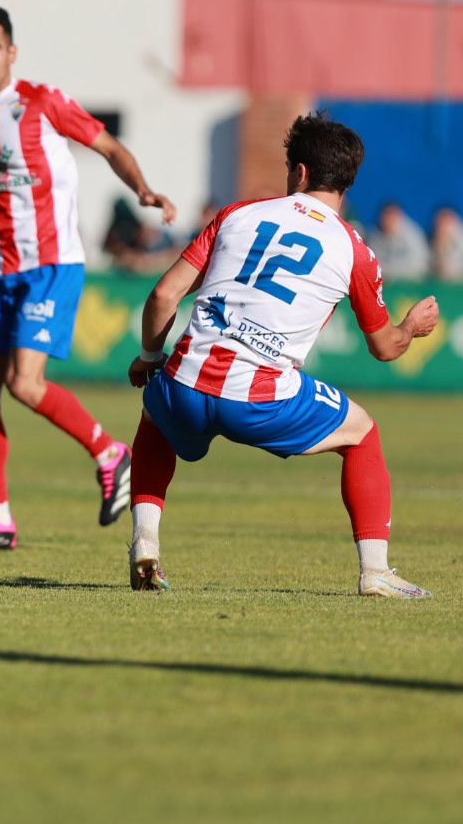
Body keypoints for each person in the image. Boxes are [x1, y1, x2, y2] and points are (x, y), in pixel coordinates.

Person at [0, 5, 177, 549]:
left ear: (11, 52)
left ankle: (112, 454)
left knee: (24, 383)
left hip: (52, 264)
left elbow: (108, 145)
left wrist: (141, 189)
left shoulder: (41, 102)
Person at [124, 112, 440, 598]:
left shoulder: (236, 214)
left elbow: (164, 296)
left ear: (300, 173)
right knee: (363, 435)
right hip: (261, 401)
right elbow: (385, 348)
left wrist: (149, 355)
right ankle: (375, 572)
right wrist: (411, 327)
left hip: (186, 384)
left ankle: (146, 543)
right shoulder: (355, 249)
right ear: (345, 181)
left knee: (156, 414)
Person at [366, 200, 430, 281]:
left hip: (412, 284)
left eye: (392, 217)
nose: (388, 221)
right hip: (385, 286)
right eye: (386, 217)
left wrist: (391, 272)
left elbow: (419, 264)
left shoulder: (413, 233)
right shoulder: (374, 235)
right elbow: (372, 265)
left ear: (400, 217)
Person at [429, 204, 463, 281]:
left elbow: (453, 269)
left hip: (460, 283)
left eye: (447, 222)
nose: (443, 226)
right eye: (441, 222)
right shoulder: (430, 238)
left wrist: (444, 246)